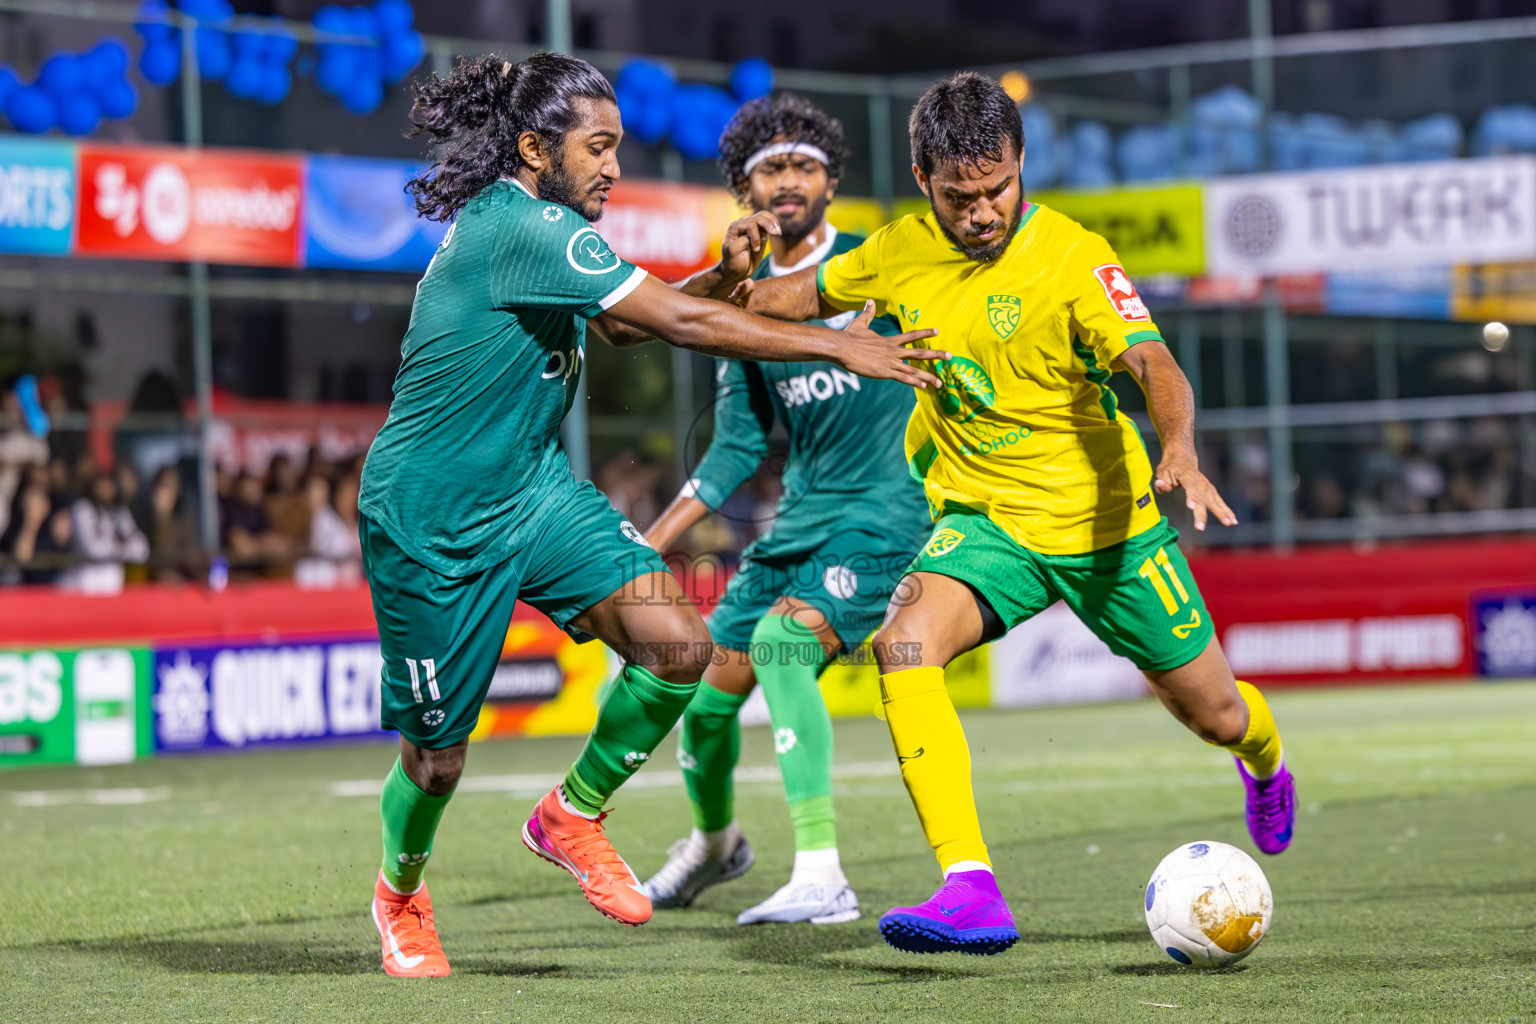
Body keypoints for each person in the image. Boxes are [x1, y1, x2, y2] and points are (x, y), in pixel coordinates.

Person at [358, 51, 943, 978]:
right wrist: (839, 346)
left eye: (616, 147)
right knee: (436, 761)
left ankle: (571, 814)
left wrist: (718, 273)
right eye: (597, 148)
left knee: (679, 648)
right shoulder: (522, 228)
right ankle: (401, 895)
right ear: (533, 148)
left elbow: (630, 324)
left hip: (533, 491)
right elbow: (685, 328)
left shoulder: (544, 228)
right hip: (431, 518)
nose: (613, 167)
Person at [735, 71, 1295, 956]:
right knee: (904, 643)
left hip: (1108, 529)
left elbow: (1152, 363)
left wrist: (1178, 446)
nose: (985, 211)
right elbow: (790, 301)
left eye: (999, 188)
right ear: (925, 180)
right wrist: (729, 281)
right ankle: (971, 888)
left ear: (1021, 164)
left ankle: (1264, 759)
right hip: (986, 524)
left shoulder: (1074, 255)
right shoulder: (896, 251)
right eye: (962, 197)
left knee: (1217, 714)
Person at [601, 93, 930, 926]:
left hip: (884, 515)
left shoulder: (880, 266)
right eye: (771, 168)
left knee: (784, 646)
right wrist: (651, 546)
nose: (789, 180)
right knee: (705, 705)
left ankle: (823, 872)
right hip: (799, 524)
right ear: (746, 189)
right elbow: (737, 450)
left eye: (804, 166)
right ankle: (715, 845)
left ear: (830, 180)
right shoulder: (741, 300)